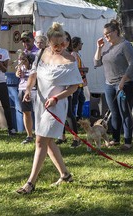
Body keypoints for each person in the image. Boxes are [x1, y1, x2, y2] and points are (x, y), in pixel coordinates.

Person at [16, 22, 82, 194]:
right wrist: (28, 90)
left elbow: (74, 86)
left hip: (56, 105)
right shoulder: (42, 54)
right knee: (48, 140)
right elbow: (33, 75)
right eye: (55, 45)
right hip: (40, 103)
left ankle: (30, 183)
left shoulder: (70, 60)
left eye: (63, 44)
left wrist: (55, 98)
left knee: (40, 141)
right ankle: (65, 174)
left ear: (66, 43)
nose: (59, 47)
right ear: (49, 43)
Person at [94, 19, 133, 151]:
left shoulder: (125, 45)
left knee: (125, 112)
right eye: (104, 34)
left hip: (125, 83)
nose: (106, 37)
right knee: (114, 112)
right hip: (109, 84)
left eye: (108, 34)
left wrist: (124, 80)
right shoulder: (107, 47)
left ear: (116, 32)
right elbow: (97, 63)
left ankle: (128, 141)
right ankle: (116, 138)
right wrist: (99, 48)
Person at [55, 31, 80, 148]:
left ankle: (76, 138)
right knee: (60, 114)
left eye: (65, 40)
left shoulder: (72, 55)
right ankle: (62, 136)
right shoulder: (54, 55)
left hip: (68, 89)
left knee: (69, 114)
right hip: (57, 89)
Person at [16, 31, 39, 144]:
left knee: (38, 111)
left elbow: (37, 71)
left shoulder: (38, 52)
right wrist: (18, 72)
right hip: (22, 86)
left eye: (27, 40)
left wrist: (27, 65)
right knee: (26, 111)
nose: (25, 43)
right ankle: (29, 135)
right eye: (23, 41)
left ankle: (40, 135)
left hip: (35, 86)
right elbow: (18, 71)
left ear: (33, 40)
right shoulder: (22, 53)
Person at [71, 36, 88, 121]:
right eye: (81, 43)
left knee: (81, 99)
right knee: (75, 101)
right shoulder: (73, 54)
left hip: (80, 82)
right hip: (76, 82)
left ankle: (79, 117)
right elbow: (75, 68)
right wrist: (84, 69)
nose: (82, 45)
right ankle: (73, 117)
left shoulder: (77, 54)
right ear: (77, 44)